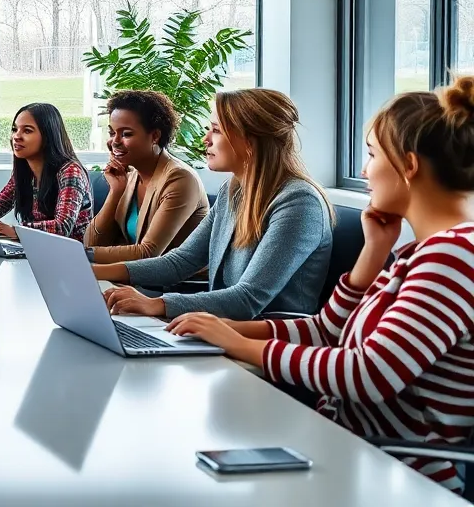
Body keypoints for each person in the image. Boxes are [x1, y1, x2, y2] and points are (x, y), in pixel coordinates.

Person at [168, 80, 474, 493]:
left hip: (389, 473)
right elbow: (327, 331)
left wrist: (244, 346)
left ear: (409, 165)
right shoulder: (421, 251)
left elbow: (371, 373)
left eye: (370, 155)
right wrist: (373, 254)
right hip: (342, 448)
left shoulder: (452, 257)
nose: (364, 170)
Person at [94, 88, 333, 321]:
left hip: (266, 343)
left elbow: (247, 299)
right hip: (220, 328)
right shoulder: (233, 191)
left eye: (216, 130)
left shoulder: (300, 203)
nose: (205, 139)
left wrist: (154, 304)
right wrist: (92, 271)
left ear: (250, 141)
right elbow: (181, 261)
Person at [83, 91, 210, 262]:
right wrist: (116, 192)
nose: (114, 141)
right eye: (112, 133)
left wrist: (79, 255)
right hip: (136, 280)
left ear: (155, 136)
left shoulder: (180, 179)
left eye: (126, 134)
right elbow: (92, 241)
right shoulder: (132, 175)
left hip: (179, 285)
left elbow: (148, 253)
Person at [0, 103, 93, 242]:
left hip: (70, 254)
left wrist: (17, 231)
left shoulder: (70, 171)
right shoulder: (24, 170)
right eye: (15, 129)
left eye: (27, 131)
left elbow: (62, 227)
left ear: (48, 135)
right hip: (36, 248)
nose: (16, 137)